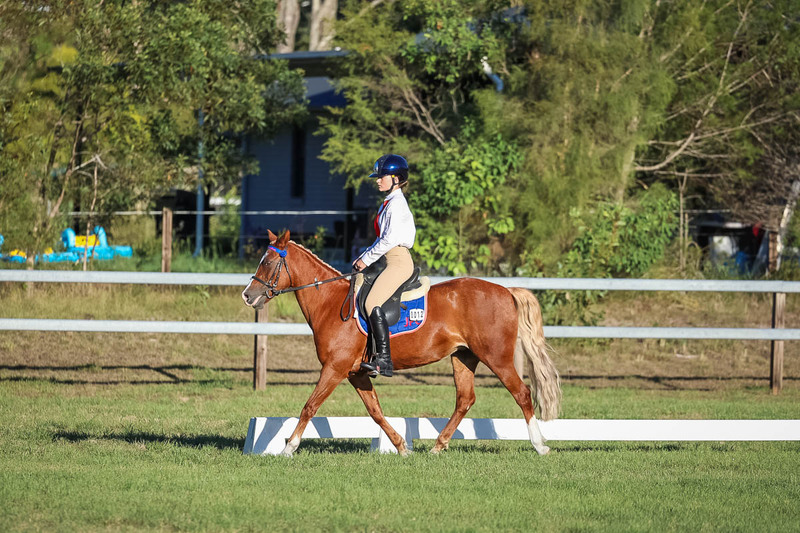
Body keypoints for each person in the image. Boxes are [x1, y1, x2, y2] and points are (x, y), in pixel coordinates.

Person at [352, 154, 416, 377]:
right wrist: (363, 257)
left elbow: (389, 240)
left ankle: (384, 360)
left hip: (398, 262)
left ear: (396, 179)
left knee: (372, 302)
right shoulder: (389, 203)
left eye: (382, 177)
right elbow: (382, 241)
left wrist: (365, 259)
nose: (378, 180)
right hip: (389, 259)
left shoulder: (397, 205)